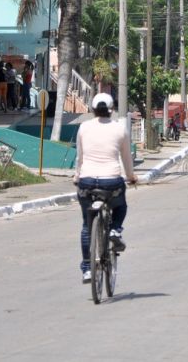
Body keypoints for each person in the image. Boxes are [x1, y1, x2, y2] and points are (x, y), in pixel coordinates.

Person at [75, 93, 137, 283]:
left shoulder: (84, 128)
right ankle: (115, 230)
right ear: (111, 110)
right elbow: (126, 158)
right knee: (121, 205)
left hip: (86, 181)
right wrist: (131, 177)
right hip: (111, 181)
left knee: (87, 226)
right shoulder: (120, 129)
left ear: (93, 109)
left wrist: (77, 176)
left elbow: (80, 157)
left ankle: (87, 268)